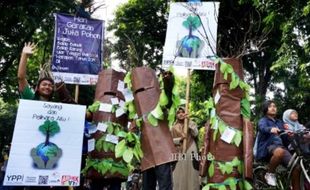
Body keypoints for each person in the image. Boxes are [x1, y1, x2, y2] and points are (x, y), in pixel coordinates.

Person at [255, 100, 300, 189]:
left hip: (281, 148)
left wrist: (290, 135)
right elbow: (262, 128)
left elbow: (285, 138)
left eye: (274, 106)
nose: (273, 108)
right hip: (268, 147)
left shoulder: (280, 122)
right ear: (265, 109)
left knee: (296, 167)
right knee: (279, 152)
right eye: (270, 106)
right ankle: (269, 174)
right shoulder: (263, 120)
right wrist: (270, 129)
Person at [171, 107, 199, 190]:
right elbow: (170, 141)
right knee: (178, 173)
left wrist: (189, 122)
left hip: (191, 150)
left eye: (183, 112)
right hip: (178, 151)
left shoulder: (191, 123)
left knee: (192, 172)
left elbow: (196, 134)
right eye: (178, 112)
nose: (181, 114)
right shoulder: (173, 127)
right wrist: (180, 139)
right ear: (176, 115)